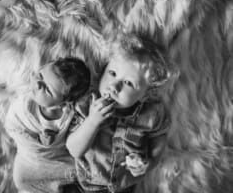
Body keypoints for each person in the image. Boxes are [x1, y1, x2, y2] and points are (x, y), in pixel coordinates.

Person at [66, 35, 176, 193]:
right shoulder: (87, 105)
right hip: (83, 185)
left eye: (128, 83)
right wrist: (92, 121)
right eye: (112, 73)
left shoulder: (152, 114)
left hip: (124, 186)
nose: (114, 86)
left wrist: (148, 162)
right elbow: (73, 149)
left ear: (146, 94)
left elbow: (159, 140)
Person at [4, 57, 91, 193]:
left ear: (63, 103)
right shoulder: (24, 107)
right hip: (31, 162)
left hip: (59, 160)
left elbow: (74, 137)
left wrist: (55, 141)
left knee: (85, 174)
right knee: (22, 181)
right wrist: (38, 141)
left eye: (47, 90)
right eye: (40, 76)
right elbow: (12, 126)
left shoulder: (69, 114)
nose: (38, 85)